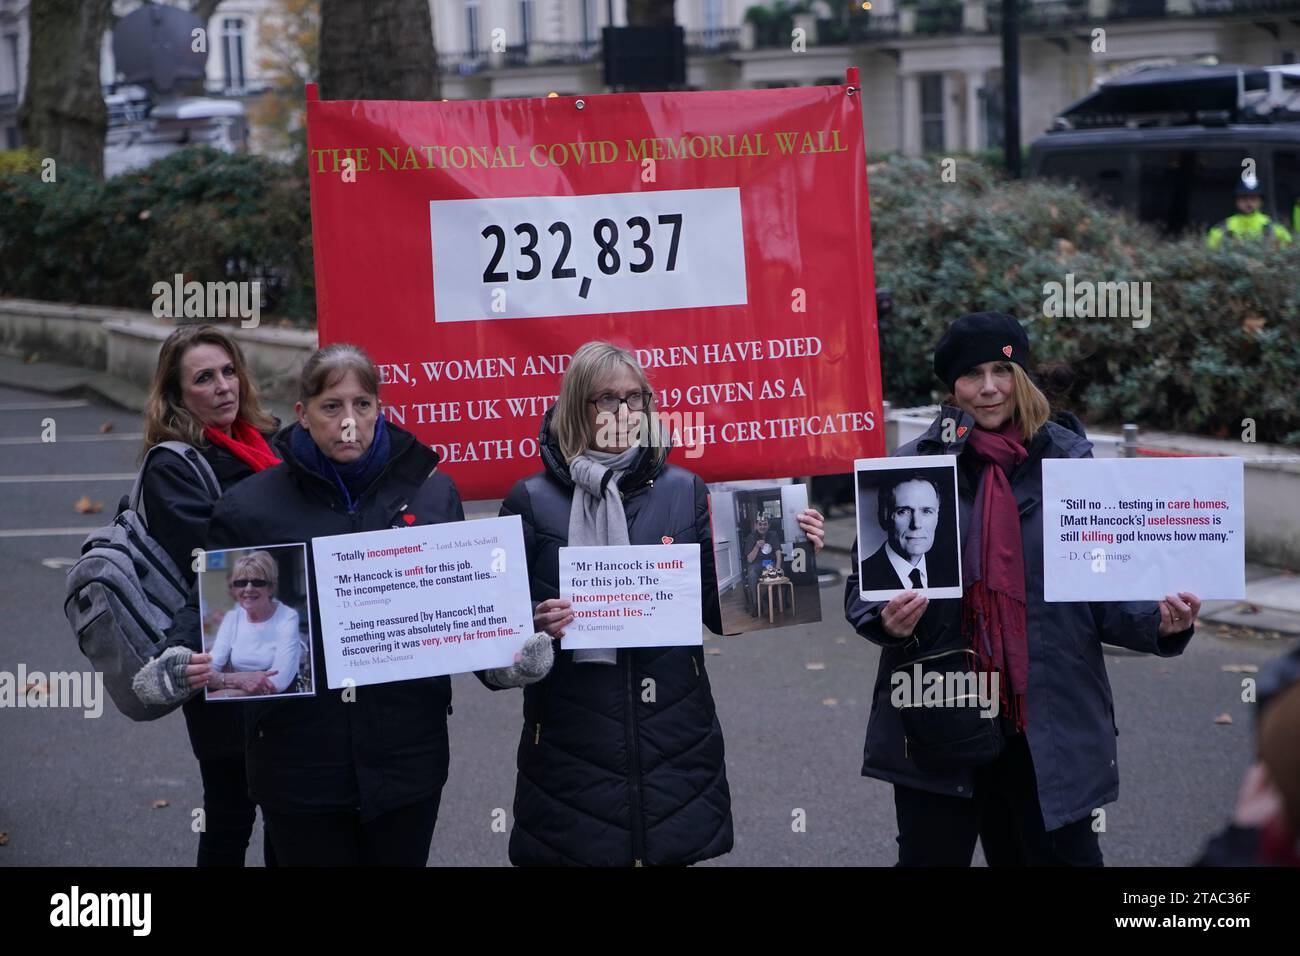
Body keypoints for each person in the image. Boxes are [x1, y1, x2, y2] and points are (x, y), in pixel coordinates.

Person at [845, 311, 1202, 866]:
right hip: (942, 711)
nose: (989, 388)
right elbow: (863, 589)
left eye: (1002, 370)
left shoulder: (1070, 462)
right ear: (951, 388)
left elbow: (1104, 589)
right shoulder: (915, 466)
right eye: (971, 375)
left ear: (1024, 377)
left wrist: (1160, 621)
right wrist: (884, 619)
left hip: (1047, 718)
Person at [180, 343, 550, 866]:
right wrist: (180, 658)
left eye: (362, 405)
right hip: (298, 764)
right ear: (304, 415)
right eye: (332, 407)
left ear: (381, 409)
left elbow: (463, 610)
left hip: (407, 758)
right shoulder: (250, 508)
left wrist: (507, 659)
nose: (349, 422)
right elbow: (211, 618)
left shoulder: (432, 494)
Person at [496, 340, 825, 866]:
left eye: (636, 398)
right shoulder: (531, 501)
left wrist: (790, 552)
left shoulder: (684, 489)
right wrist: (534, 628)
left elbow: (725, 611)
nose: (624, 413)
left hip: (674, 738)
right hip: (570, 746)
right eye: (606, 399)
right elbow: (496, 643)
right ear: (577, 404)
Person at [128, 324, 281, 867]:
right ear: (175, 395)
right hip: (216, 658)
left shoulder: (266, 441)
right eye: (203, 378)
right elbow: (216, 560)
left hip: (283, 648)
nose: (223, 386)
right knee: (232, 811)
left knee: (289, 807)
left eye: (228, 370)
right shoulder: (173, 466)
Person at [206, 551, 301, 698]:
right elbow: (209, 668)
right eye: (241, 583)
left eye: (257, 582)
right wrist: (239, 680)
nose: (248, 589)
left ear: (270, 588)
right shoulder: (233, 617)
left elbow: (279, 681)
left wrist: (227, 693)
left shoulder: (287, 617)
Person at [858, 473, 957, 592]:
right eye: (903, 511)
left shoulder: (951, 573)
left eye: (926, 511)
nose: (916, 524)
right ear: (883, 516)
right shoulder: (864, 578)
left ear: (937, 516)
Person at [1206, 176, 1292, 249]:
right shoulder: (1224, 228)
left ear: (1260, 202)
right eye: (1244, 198)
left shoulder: (1272, 226)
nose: (1249, 203)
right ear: (1236, 201)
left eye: (1253, 199)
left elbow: (1290, 249)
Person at [742, 511, 783, 613]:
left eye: (765, 524)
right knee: (751, 573)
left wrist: (778, 566)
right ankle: (756, 604)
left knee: (780, 572)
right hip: (756, 564)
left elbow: (778, 552)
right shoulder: (751, 537)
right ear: (756, 525)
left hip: (769, 563)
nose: (762, 526)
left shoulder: (773, 535)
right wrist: (756, 547)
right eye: (760, 524)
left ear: (768, 525)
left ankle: (772, 599)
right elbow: (749, 559)